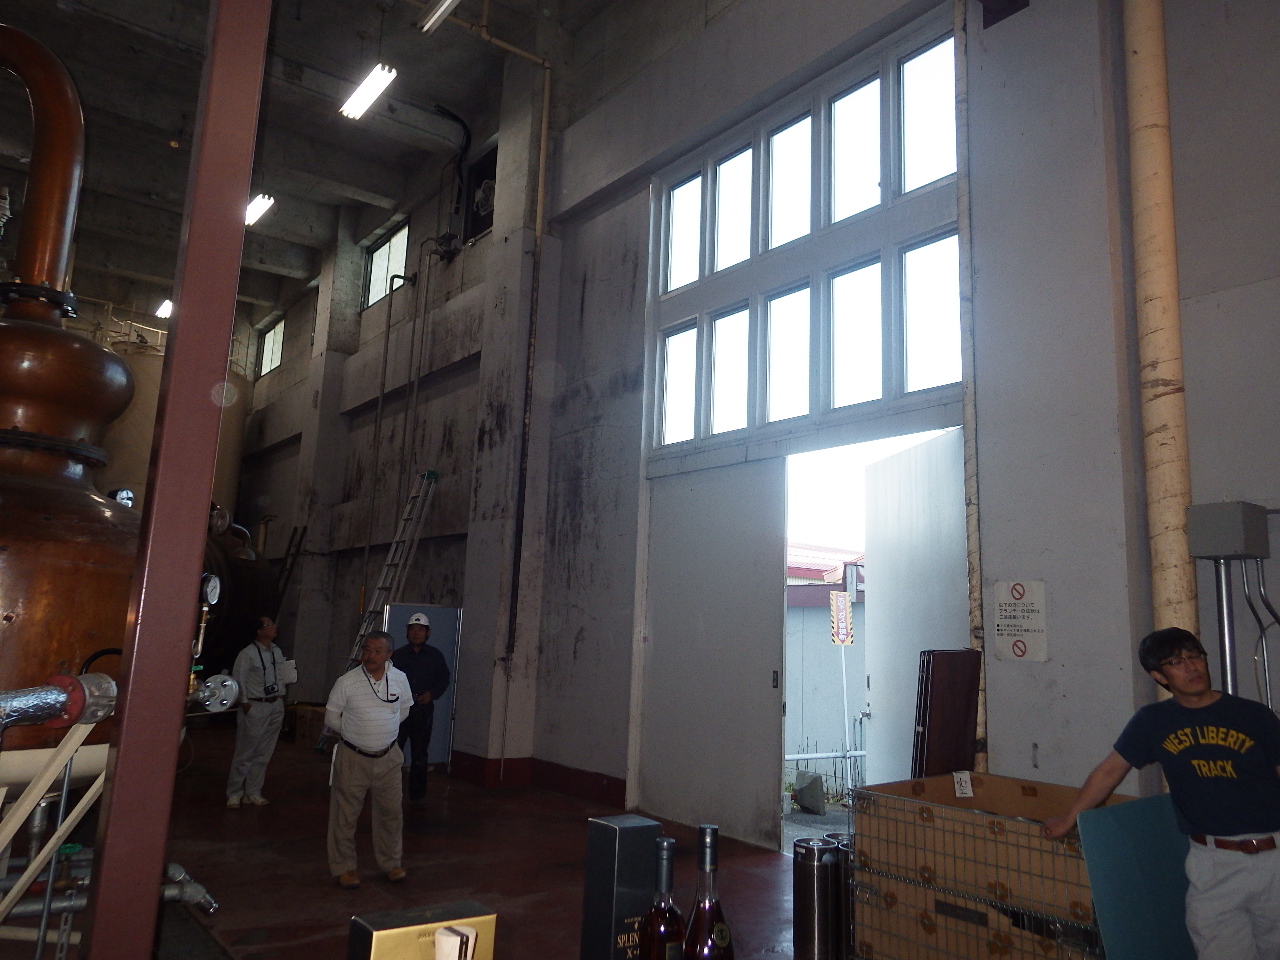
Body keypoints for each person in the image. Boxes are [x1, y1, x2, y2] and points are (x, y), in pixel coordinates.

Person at [1044, 627, 1280, 960]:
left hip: (1273, 855)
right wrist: (1069, 819)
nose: (1191, 667)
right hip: (1212, 860)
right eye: (1176, 662)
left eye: (1194, 656)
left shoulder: (1253, 716)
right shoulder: (1154, 721)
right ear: (1159, 675)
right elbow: (1110, 771)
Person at [325, 631, 412, 889]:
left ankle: (391, 863)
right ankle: (344, 868)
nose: (370, 655)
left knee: (391, 813)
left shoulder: (400, 679)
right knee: (345, 816)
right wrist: (357, 733)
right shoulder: (347, 682)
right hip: (353, 758)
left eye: (377, 651)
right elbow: (331, 718)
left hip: (389, 758)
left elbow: (404, 710)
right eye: (367, 650)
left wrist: (382, 731)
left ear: (389, 655)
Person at [390, 612, 451, 809]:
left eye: (420, 630)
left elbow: (444, 679)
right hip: (399, 711)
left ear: (428, 632)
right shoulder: (397, 656)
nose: (416, 633)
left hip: (422, 710)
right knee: (393, 752)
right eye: (412, 629)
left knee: (420, 753)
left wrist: (432, 694)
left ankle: (417, 795)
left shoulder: (435, 656)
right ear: (407, 632)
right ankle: (389, 791)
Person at [226, 616, 288, 808]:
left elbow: (281, 675)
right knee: (246, 752)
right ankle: (234, 792)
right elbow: (239, 680)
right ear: (259, 631)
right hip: (255, 705)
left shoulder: (276, 651)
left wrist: (281, 696)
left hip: (275, 704)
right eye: (269, 625)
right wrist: (245, 704)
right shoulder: (248, 653)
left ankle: (253, 792)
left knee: (264, 752)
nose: (274, 627)